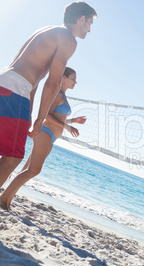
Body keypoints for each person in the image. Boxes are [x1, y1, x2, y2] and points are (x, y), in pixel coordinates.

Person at [0, 1, 97, 194]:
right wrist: (40, 118)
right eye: (89, 24)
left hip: (7, 82)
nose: (89, 29)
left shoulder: (47, 30)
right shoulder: (69, 40)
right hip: (17, 89)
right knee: (13, 156)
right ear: (82, 19)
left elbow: (35, 80)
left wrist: (29, 112)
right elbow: (52, 83)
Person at [0, 67, 86, 210]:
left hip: (51, 137)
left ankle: (6, 200)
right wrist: (67, 127)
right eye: (73, 78)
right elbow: (47, 116)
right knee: (33, 170)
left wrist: (72, 121)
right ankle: (4, 199)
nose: (75, 82)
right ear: (63, 77)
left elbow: (58, 118)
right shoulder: (57, 94)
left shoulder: (63, 96)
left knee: (28, 170)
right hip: (45, 133)